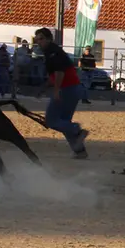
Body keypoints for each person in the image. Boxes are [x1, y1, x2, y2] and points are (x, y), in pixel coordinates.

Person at [33, 27, 89, 158]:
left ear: (48, 39)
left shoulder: (53, 52)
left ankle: (77, 131)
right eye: (37, 40)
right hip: (73, 88)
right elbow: (55, 74)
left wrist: (57, 90)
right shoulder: (52, 52)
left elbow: (59, 73)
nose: (38, 42)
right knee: (64, 122)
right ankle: (79, 151)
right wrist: (44, 88)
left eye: (41, 39)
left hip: (67, 89)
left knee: (51, 120)